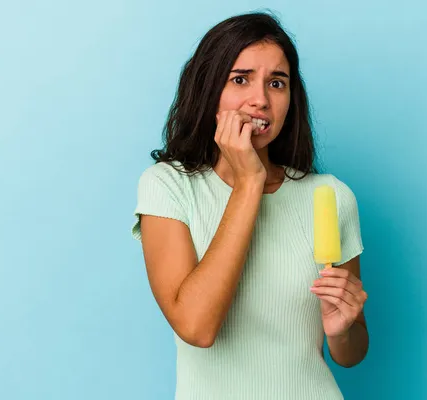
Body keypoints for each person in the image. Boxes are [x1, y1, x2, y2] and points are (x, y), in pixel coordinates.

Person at [131, 11, 369, 400]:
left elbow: (351, 354)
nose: (260, 100)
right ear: (209, 90)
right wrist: (249, 182)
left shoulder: (330, 196)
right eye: (240, 79)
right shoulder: (167, 187)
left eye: (277, 83)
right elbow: (196, 327)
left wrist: (343, 328)